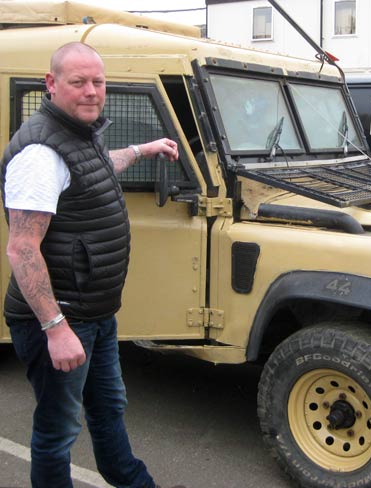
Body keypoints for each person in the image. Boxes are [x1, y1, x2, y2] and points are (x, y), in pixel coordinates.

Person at [1, 42, 184, 488]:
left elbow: (96, 168)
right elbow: (22, 249)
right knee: (58, 430)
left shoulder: (80, 137)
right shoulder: (40, 155)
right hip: (61, 318)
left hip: (94, 313)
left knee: (107, 409)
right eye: (78, 82)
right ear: (51, 84)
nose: (90, 92)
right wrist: (56, 328)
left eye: (97, 82)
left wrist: (143, 149)